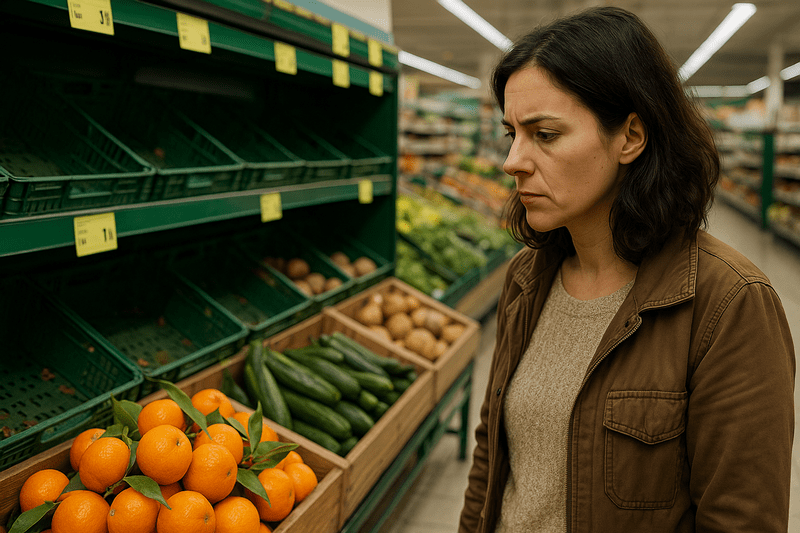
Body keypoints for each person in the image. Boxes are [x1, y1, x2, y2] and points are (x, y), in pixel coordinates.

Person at [458, 6, 795, 533]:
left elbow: (741, 520)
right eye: (511, 134)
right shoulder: (527, 279)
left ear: (631, 137)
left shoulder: (728, 304)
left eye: (545, 134)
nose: (513, 161)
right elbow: (491, 463)